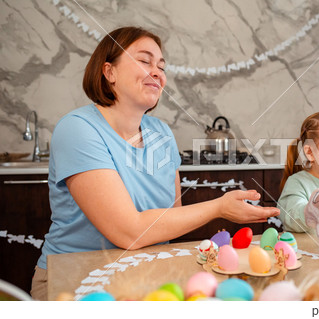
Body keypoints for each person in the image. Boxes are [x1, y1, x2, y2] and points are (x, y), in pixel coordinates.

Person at [30, 26, 279, 300]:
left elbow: (171, 217)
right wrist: (219, 207)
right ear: (109, 72)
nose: (158, 72)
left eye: (161, 66)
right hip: (76, 281)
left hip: (147, 279)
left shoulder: (161, 133)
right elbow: (130, 232)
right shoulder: (78, 129)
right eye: (145, 60)